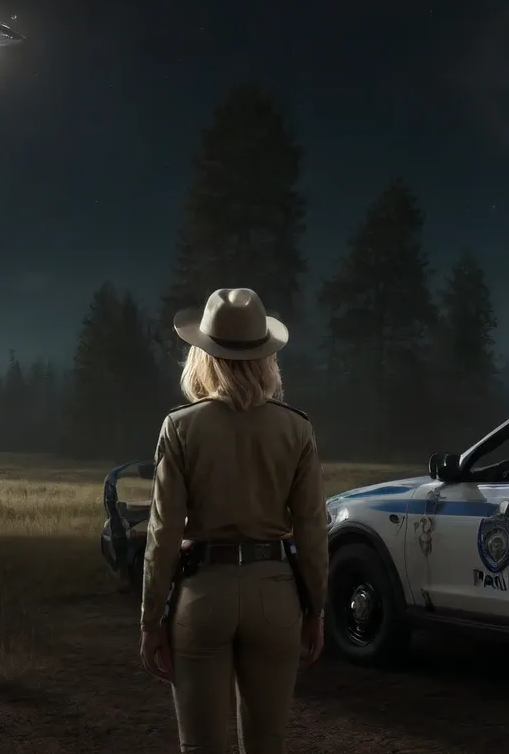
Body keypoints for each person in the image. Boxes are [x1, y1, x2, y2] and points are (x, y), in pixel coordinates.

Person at [138, 287, 328, 754]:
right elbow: (312, 531)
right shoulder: (296, 428)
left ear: (203, 358)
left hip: (202, 595)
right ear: (267, 359)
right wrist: (316, 610)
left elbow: (163, 532)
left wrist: (150, 618)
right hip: (274, 594)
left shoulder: (180, 427)